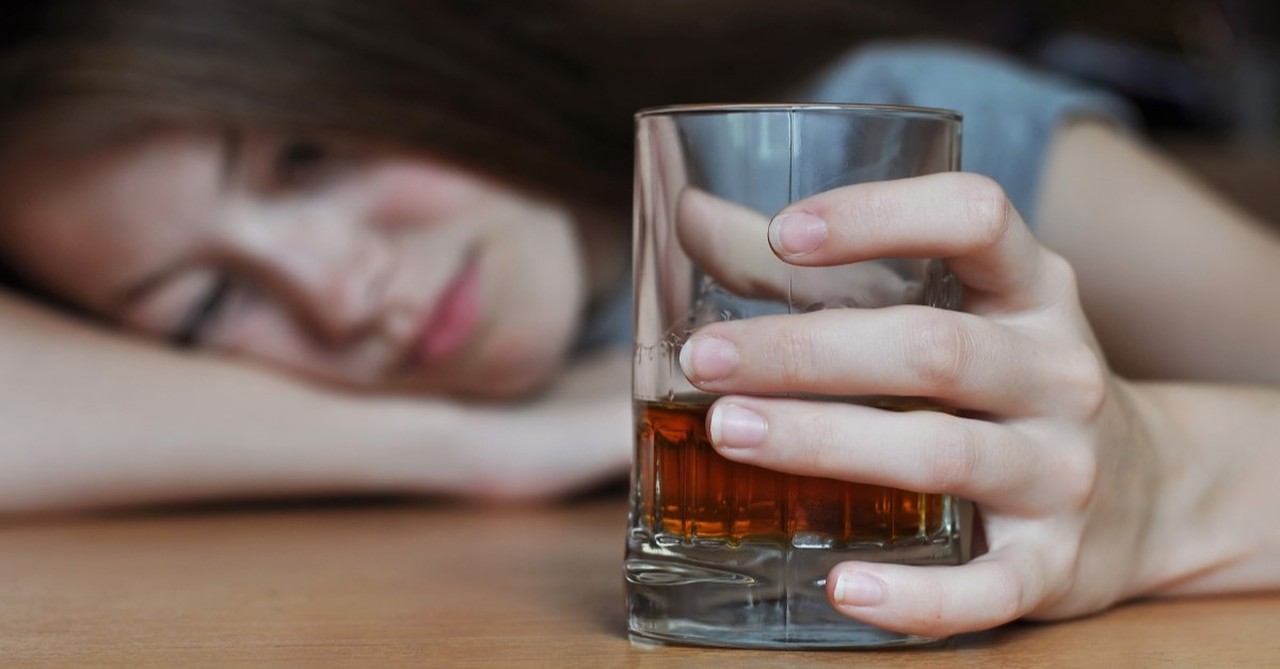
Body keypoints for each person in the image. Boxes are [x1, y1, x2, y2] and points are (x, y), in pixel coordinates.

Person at [2, 0, 1278, 639]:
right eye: (209, 300)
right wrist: (486, 450)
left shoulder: (890, 151)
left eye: (301, 162)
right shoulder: (409, 407)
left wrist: (1159, 477)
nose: (337, 289)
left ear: (404, 71)